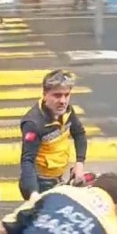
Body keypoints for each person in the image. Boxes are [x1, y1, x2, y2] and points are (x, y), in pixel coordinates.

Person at [19, 70, 88, 201]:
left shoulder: (67, 111)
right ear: (45, 95)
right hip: (40, 183)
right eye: (57, 95)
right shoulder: (33, 123)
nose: (63, 101)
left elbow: (79, 134)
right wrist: (33, 194)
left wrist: (79, 163)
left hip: (58, 177)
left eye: (66, 95)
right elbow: (27, 161)